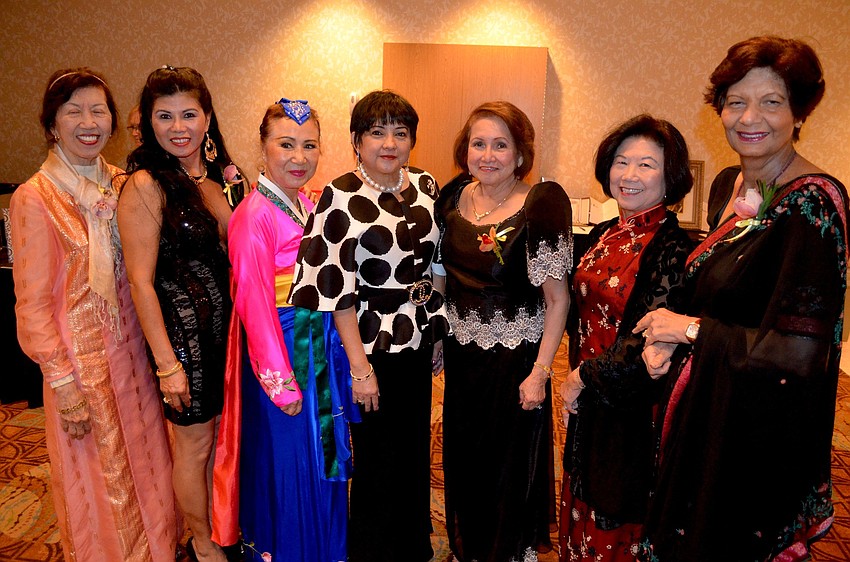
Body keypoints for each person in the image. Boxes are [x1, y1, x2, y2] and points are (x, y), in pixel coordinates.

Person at [634, 36, 847, 561]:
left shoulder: (814, 206)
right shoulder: (734, 185)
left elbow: (800, 356)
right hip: (710, 408)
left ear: (800, 113)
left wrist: (685, 330)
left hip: (754, 435)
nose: (750, 117)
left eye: (772, 102)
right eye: (736, 101)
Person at [9, 67, 177, 561]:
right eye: (73, 110)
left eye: (98, 110)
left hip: (135, 358)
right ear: (51, 124)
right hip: (80, 370)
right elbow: (33, 305)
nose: (88, 121)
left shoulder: (123, 184)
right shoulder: (34, 197)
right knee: (100, 479)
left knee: (150, 464)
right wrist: (63, 385)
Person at [290, 90, 448, 562]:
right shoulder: (340, 195)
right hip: (371, 343)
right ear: (357, 140)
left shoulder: (425, 185)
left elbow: (436, 262)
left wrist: (436, 324)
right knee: (378, 456)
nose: (389, 143)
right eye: (377, 132)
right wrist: (360, 369)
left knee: (415, 446)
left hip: (418, 335)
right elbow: (336, 290)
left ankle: (411, 545)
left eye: (400, 133)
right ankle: (375, 550)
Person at [212, 99, 359, 561]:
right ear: (263, 148)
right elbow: (253, 305)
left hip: (318, 347)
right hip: (284, 357)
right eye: (286, 145)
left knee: (322, 459)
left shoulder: (308, 204)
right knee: (290, 466)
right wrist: (280, 383)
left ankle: (325, 549)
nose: (299, 157)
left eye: (309, 145)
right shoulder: (253, 216)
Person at [118, 66, 246, 562]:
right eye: (164, 115)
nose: (179, 127)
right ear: (149, 123)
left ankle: (222, 523)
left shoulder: (218, 178)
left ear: (208, 117)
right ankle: (201, 541)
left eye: (189, 114)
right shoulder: (147, 185)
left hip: (229, 338)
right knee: (193, 448)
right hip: (185, 344)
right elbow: (140, 283)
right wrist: (167, 363)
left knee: (224, 442)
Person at [435, 100, 572, 562]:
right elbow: (442, 275)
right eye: (478, 144)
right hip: (462, 354)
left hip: (516, 360)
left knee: (507, 463)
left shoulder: (541, 204)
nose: (487, 155)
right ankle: (471, 547)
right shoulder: (451, 198)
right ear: (465, 149)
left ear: (519, 154)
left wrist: (539, 373)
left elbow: (558, 299)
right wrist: (437, 330)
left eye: (500, 145)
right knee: (465, 456)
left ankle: (507, 552)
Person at [557, 115, 694, 561]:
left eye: (646, 165)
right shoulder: (603, 233)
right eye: (621, 162)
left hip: (631, 405)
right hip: (592, 396)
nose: (629, 176)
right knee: (582, 498)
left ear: (670, 175)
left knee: (617, 507)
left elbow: (645, 341)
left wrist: (579, 378)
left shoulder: (672, 247)